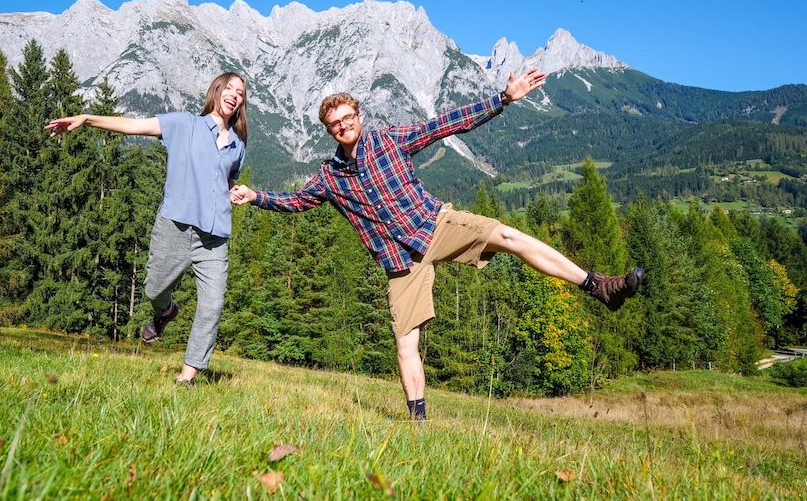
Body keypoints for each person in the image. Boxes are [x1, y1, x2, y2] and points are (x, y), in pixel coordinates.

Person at [230, 68, 643, 419]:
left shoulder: (390, 140)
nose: (344, 125)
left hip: (435, 226)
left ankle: (598, 286)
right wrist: (256, 196)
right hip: (399, 262)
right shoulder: (329, 176)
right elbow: (296, 201)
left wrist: (503, 99)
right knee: (405, 342)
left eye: (348, 117)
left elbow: (446, 123)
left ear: (359, 115)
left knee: (507, 234)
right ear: (329, 130)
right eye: (335, 123)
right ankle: (419, 422)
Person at [46, 72, 248, 386]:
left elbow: (226, 179)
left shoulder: (237, 144)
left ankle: (187, 377)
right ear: (217, 90)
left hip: (215, 235)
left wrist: (234, 191)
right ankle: (165, 312)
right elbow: (132, 125)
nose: (234, 95)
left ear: (241, 103)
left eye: (240, 92)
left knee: (213, 304)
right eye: (230, 88)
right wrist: (86, 118)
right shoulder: (184, 125)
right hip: (175, 226)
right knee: (154, 290)